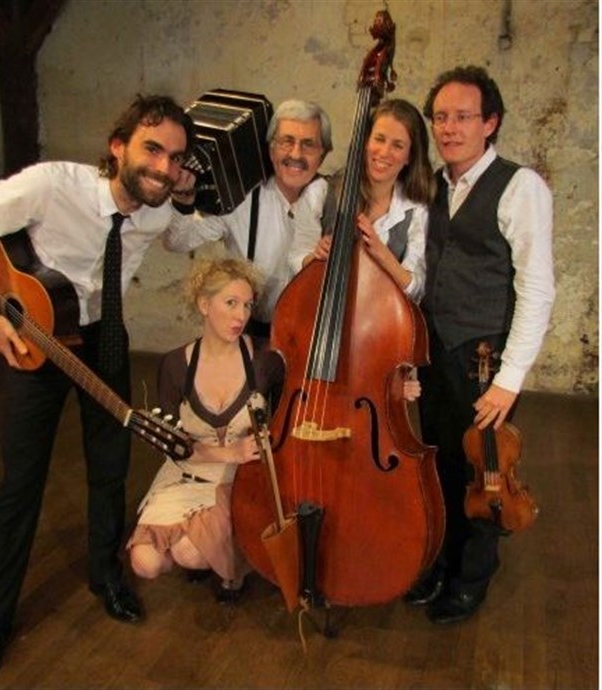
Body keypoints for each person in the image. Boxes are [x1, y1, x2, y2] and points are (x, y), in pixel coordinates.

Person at [0, 94, 196, 688]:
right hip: (38, 335)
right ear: (118, 147)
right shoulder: (51, 186)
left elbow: (185, 236)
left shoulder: (157, 210)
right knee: (21, 482)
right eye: (152, 149)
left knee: (110, 467)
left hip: (105, 335)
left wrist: (188, 199)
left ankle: (106, 576)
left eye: (176, 157)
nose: (163, 166)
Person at [407, 65, 555, 624]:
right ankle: (441, 559)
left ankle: (471, 577)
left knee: (484, 472)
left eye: (463, 117)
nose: (449, 128)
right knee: (441, 464)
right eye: (440, 117)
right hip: (436, 352)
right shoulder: (433, 186)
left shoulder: (520, 186)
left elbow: (537, 288)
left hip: (485, 360)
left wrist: (509, 380)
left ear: (489, 123)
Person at [127, 258, 284, 602]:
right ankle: (216, 551)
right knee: (145, 562)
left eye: (247, 305)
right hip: (189, 470)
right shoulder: (174, 365)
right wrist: (228, 451)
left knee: (189, 554)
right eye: (231, 303)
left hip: (237, 480)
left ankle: (233, 563)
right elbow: (173, 445)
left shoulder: (265, 361)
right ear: (203, 304)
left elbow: (290, 418)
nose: (241, 316)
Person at [163, 99, 334, 336]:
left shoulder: (337, 201)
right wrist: (183, 200)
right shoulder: (239, 199)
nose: (296, 154)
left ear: (323, 155)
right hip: (247, 332)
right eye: (286, 141)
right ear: (271, 149)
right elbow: (177, 242)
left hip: (310, 335)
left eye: (308, 145)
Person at [307, 98, 435, 402]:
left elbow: (416, 288)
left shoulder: (416, 211)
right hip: (322, 334)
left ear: (410, 157)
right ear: (365, 142)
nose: (384, 152)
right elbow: (293, 261)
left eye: (397, 145)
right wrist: (314, 256)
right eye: (379, 139)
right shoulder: (323, 191)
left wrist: (381, 253)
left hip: (380, 342)